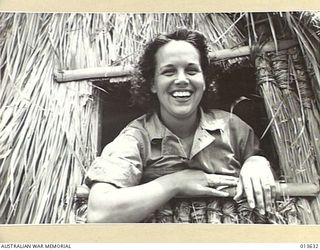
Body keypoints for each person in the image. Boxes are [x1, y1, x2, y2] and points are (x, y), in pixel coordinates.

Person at [85, 29, 276, 223]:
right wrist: (175, 183)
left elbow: (264, 167)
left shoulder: (233, 127)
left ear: (204, 80)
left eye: (192, 70)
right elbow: (99, 213)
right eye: (169, 72)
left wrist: (256, 162)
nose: (182, 80)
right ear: (152, 84)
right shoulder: (135, 138)